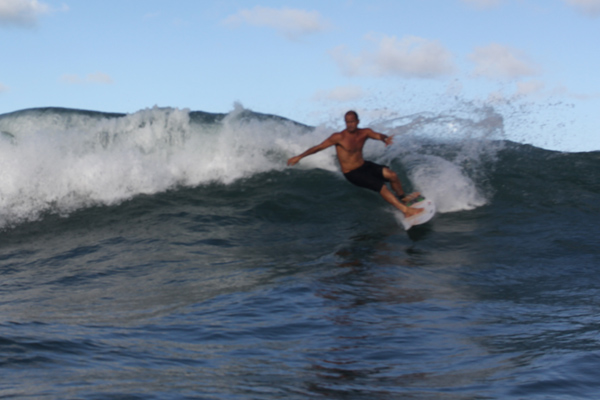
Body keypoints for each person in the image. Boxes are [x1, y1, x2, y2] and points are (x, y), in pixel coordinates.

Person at [287, 110, 423, 218]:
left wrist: (385, 138)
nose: (350, 124)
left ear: (357, 121)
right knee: (381, 187)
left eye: (352, 122)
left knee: (392, 175)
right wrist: (299, 156)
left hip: (364, 166)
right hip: (352, 173)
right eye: (347, 122)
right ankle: (405, 210)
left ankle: (403, 198)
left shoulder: (364, 132)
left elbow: (377, 135)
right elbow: (318, 147)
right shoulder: (338, 137)